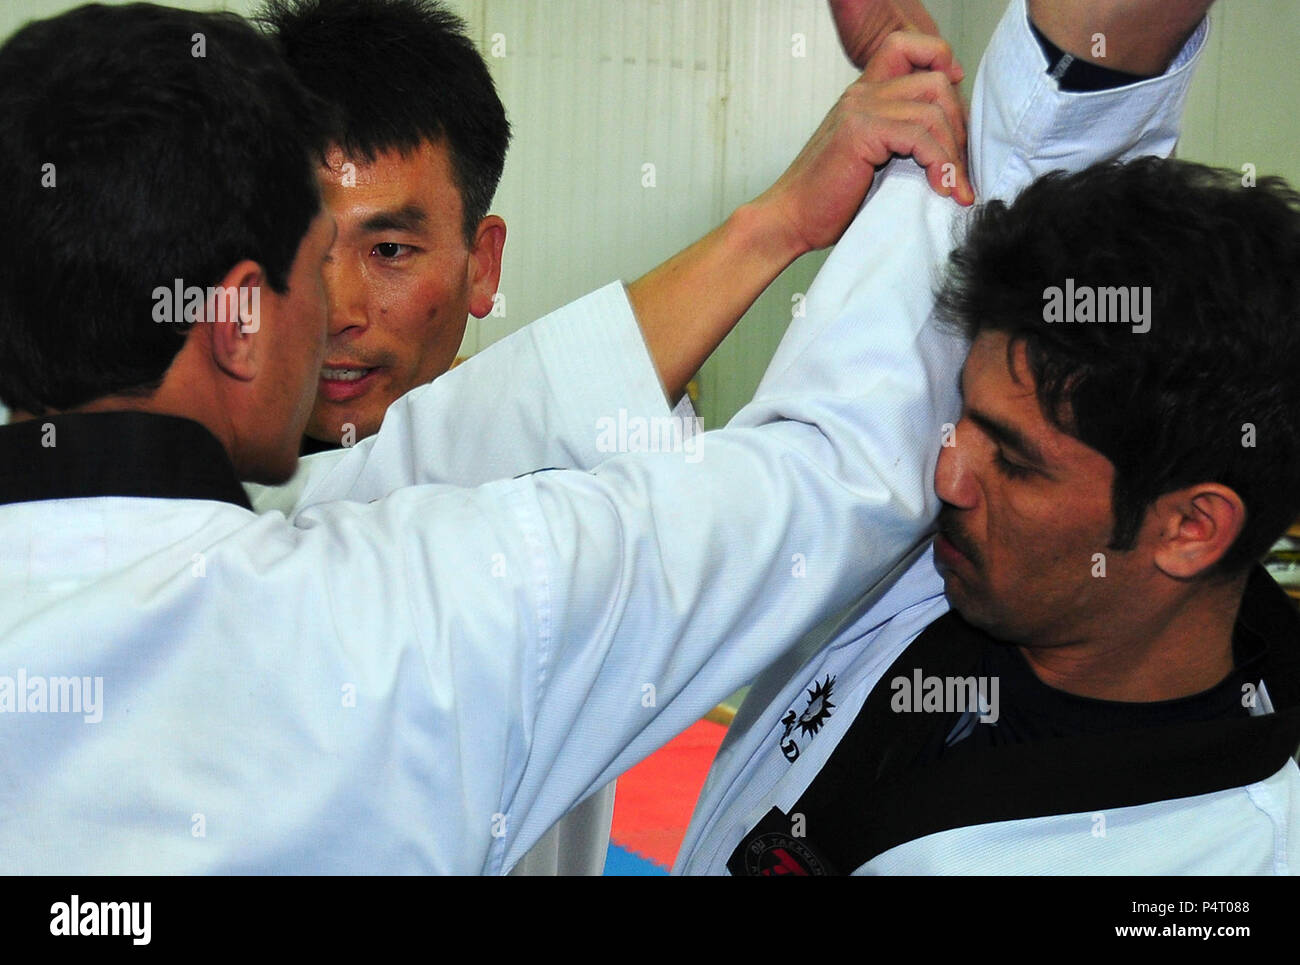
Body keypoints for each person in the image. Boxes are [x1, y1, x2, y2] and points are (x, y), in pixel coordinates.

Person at [0, 1, 975, 873]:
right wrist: (952, 146)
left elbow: (471, 433)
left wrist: (770, 229)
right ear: (244, 320)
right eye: (315, 258)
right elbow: (830, 472)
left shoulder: (391, 551)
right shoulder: (437, 603)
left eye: (387, 250)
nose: (338, 309)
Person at [676, 0, 1300, 875]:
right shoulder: (956, 571)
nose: (949, 471)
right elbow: (1062, 108)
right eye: (963, 415)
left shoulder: (1217, 867)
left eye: (1014, 460)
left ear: (1191, 527)